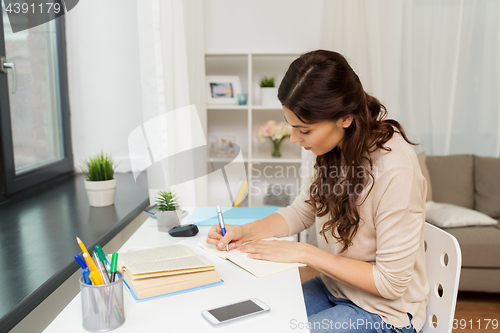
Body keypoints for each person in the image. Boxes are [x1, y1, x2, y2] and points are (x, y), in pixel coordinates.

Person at [206, 50, 429, 333]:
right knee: (254, 320)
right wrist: (245, 231)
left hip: (384, 313)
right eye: (292, 127)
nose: (294, 138)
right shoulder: (337, 149)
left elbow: (390, 282)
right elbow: (301, 211)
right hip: (335, 288)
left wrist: (304, 253)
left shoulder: (396, 170)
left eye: (305, 130)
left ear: (345, 118)